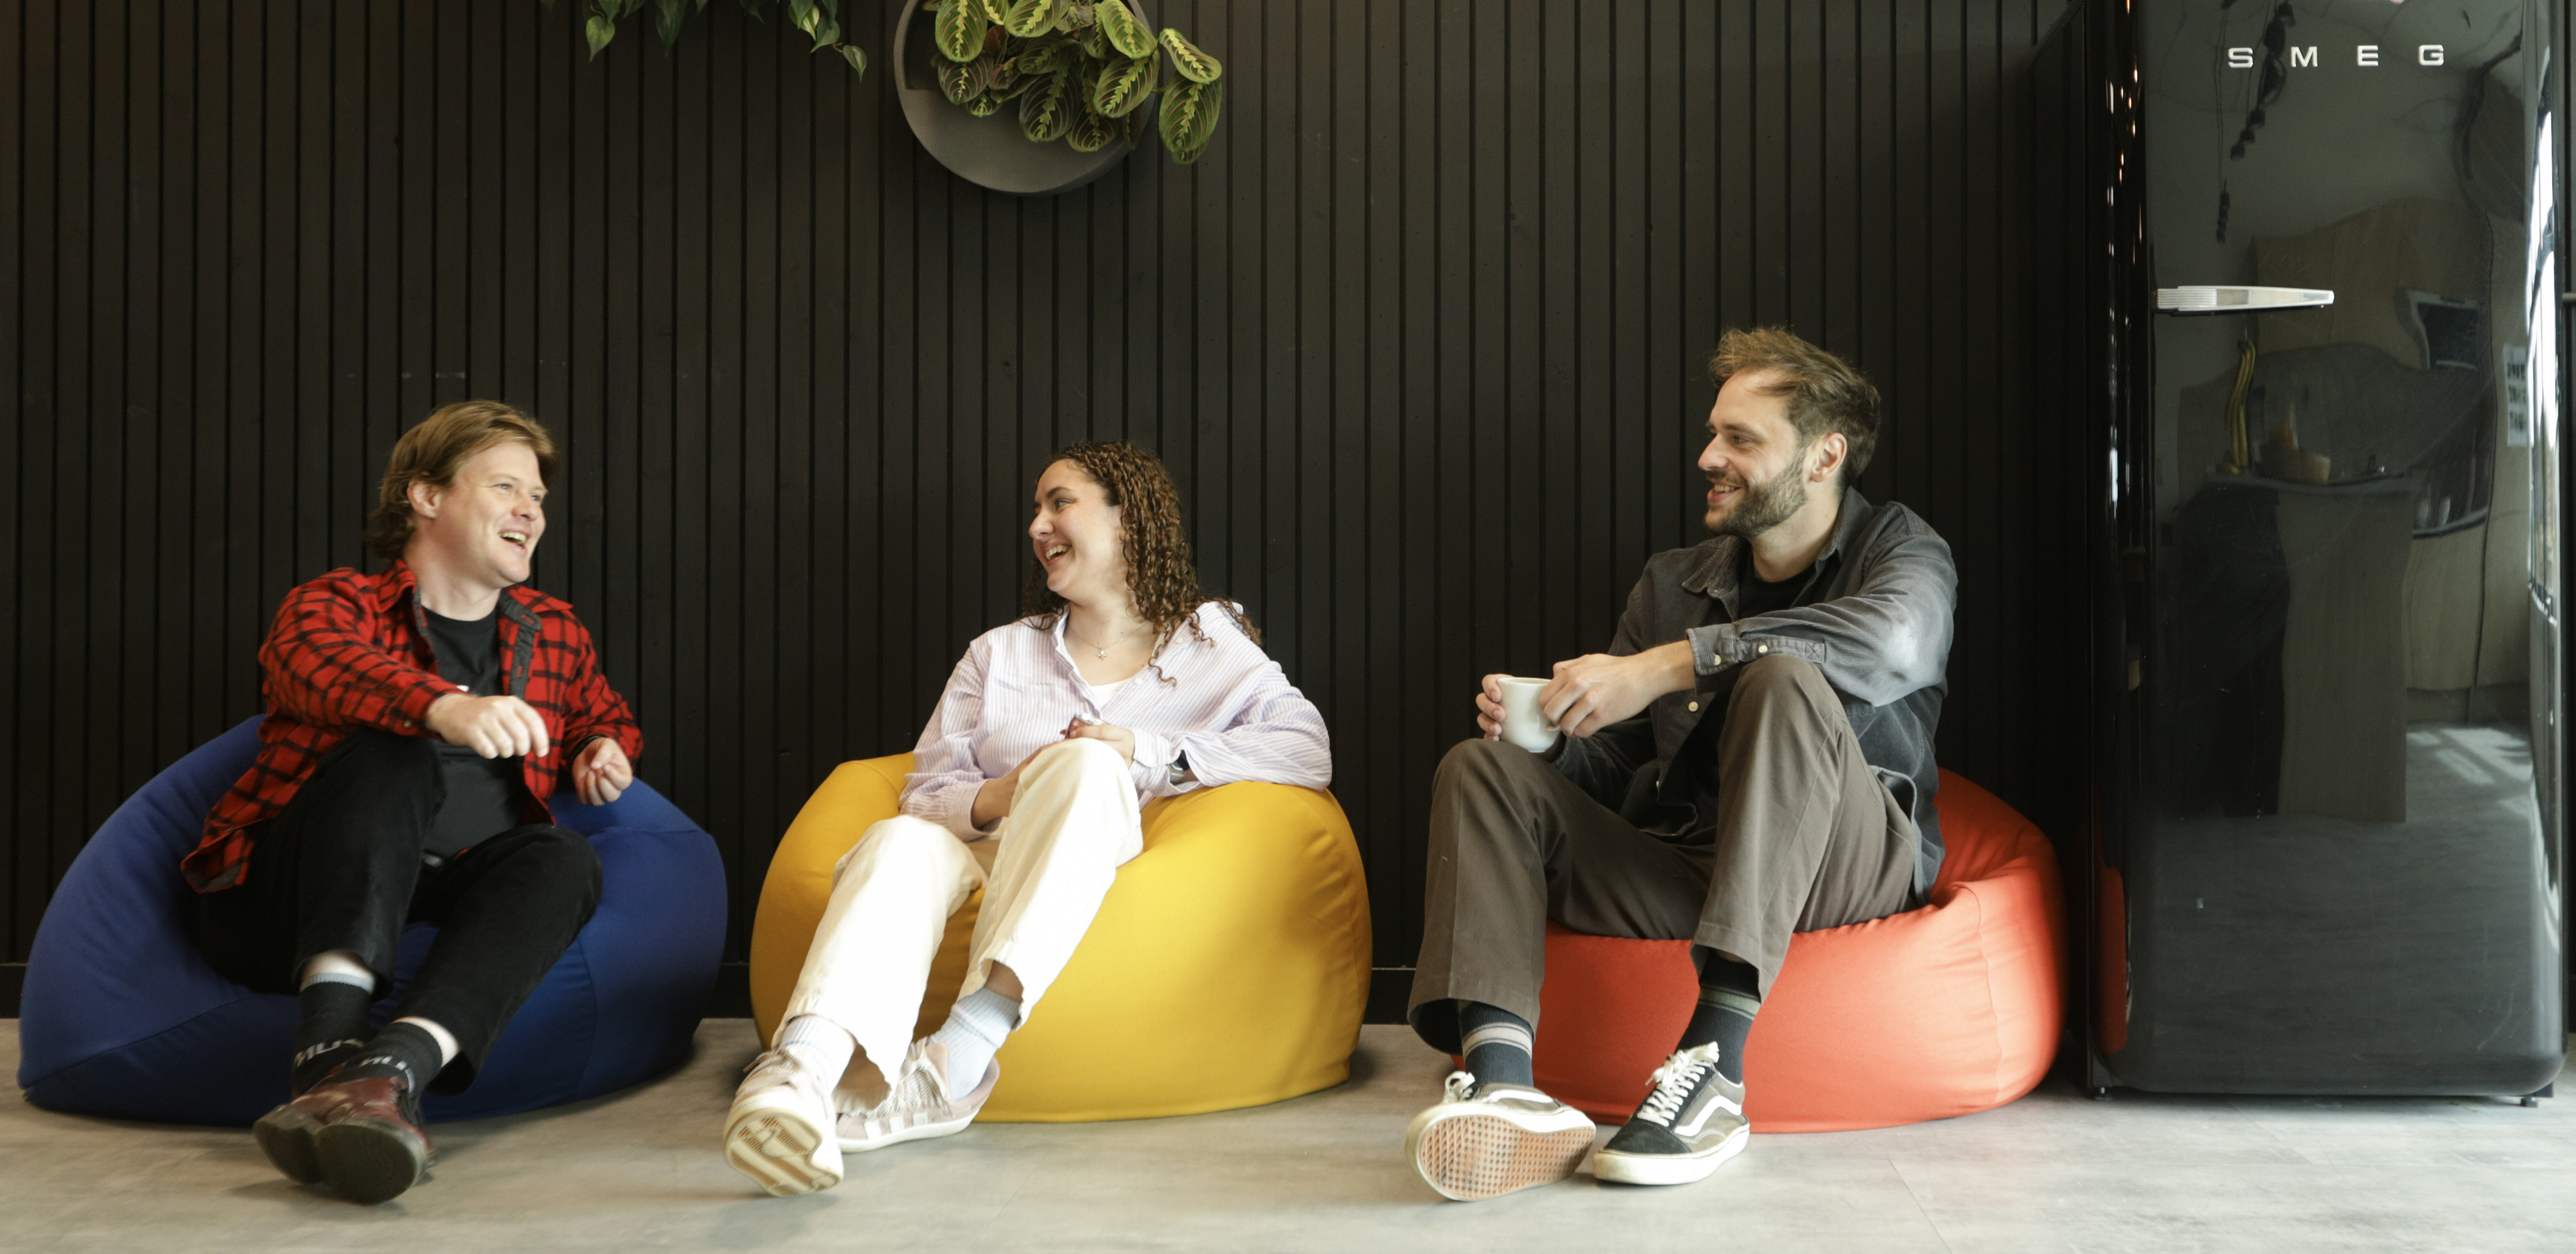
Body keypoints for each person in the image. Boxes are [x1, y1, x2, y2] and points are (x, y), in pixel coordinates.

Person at [1402, 327, 1955, 1200]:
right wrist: (1550, 741)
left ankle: (1714, 1069)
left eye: (1741, 439)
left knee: (1781, 678)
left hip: (1845, 866)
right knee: (1481, 768)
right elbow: (1618, 770)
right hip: (1693, 861)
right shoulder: (1672, 580)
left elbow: (1894, 646)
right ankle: (1505, 1086)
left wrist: (1667, 665)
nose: (1709, 457)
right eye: (1713, 433)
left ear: (1825, 456)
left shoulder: (1903, 551)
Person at [724, 440, 1331, 1195]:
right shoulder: (1000, 655)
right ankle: (800, 1073)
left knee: (1086, 763)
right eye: (1037, 509)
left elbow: (1304, 750)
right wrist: (1001, 794)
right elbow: (924, 791)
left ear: (1130, 519)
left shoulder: (1210, 643)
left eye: (1060, 502)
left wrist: (1141, 750)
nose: (1038, 525)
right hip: (981, 857)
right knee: (897, 839)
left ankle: (960, 1049)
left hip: (1104, 867)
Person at [183, 401, 643, 1206]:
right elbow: (312, 664)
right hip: (286, 902)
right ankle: (325, 1050)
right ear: (426, 498)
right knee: (392, 754)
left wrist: (602, 752)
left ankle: (389, 1074)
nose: (531, 511)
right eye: (506, 487)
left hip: (446, 885)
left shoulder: (554, 632)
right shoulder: (338, 604)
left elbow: (603, 715)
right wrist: (442, 707)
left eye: (537, 497)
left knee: (563, 856)